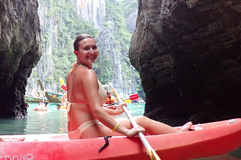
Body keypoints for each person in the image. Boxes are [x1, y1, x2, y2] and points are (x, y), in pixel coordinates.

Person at [67, 34, 200, 140]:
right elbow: (96, 111)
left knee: (141, 125)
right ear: (76, 53)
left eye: (94, 47)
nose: (92, 52)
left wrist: (115, 112)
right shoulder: (88, 74)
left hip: (76, 131)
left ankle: (174, 132)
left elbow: (84, 107)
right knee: (142, 121)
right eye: (86, 49)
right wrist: (127, 132)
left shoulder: (72, 73)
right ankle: (179, 137)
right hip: (87, 132)